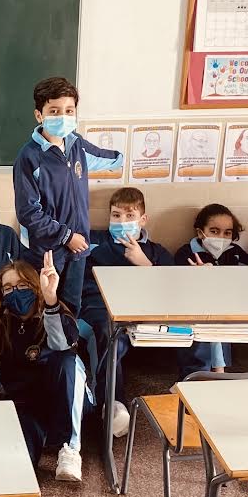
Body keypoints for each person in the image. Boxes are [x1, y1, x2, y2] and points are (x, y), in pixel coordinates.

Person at [0, 255, 89, 497]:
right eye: (8, 288)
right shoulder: (0, 325)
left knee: (67, 360)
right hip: (29, 405)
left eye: (22, 285)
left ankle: (69, 448)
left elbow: (63, 344)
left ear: (35, 286)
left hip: (64, 400)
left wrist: (50, 300)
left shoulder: (55, 313)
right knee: (17, 451)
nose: (15, 292)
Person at [12, 76, 124, 317]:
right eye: (54, 111)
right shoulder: (29, 157)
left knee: (71, 310)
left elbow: (107, 158)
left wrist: (122, 158)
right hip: (46, 252)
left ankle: (69, 342)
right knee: (41, 310)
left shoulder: (77, 145)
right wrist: (66, 236)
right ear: (39, 115)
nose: (62, 116)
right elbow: (28, 213)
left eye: (69, 110)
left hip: (77, 248)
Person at [79, 187, 174, 440]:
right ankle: (113, 404)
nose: (122, 222)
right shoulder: (96, 249)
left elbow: (173, 287)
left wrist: (144, 264)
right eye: (116, 215)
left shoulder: (156, 252)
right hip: (106, 311)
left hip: (146, 313)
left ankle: (194, 394)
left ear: (143, 220)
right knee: (109, 334)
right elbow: (85, 288)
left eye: (129, 216)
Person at [176, 203, 248, 373]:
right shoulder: (186, 253)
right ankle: (210, 370)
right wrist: (197, 277)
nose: (221, 237)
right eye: (214, 231)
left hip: (232, 307)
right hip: (198, 312)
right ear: (200, 232)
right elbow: (178, 286)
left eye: (227, 233)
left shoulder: (234, 252)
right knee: (208, 314)